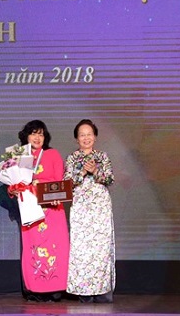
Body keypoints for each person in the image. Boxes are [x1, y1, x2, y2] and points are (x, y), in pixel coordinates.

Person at [63, 119, 116, 303]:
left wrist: (96, 171)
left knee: (100, 249)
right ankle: (83, 292)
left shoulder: (102, 156)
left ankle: (102, 291)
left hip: (100, 206)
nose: (86, 138)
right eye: (82, 135)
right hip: (80, 207)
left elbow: (109, 179)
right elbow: (67, 183)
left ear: (95, 136)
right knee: (82, 249)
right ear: (77, 139)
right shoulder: (72, 157)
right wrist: (82, 173)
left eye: (89, 134)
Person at [17, 120, 69, 302]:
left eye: (41, 134)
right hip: (31, 210)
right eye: (33, 133)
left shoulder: (52, 154)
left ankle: (55, 290)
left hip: (52, 210)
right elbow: (14, 183)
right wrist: (14, 188)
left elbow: (59, 180)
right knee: (34, 249)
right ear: (26, 136)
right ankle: (34, 289)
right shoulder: (20, 157)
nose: (37, 137)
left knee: (55, 249)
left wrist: (56, 195)